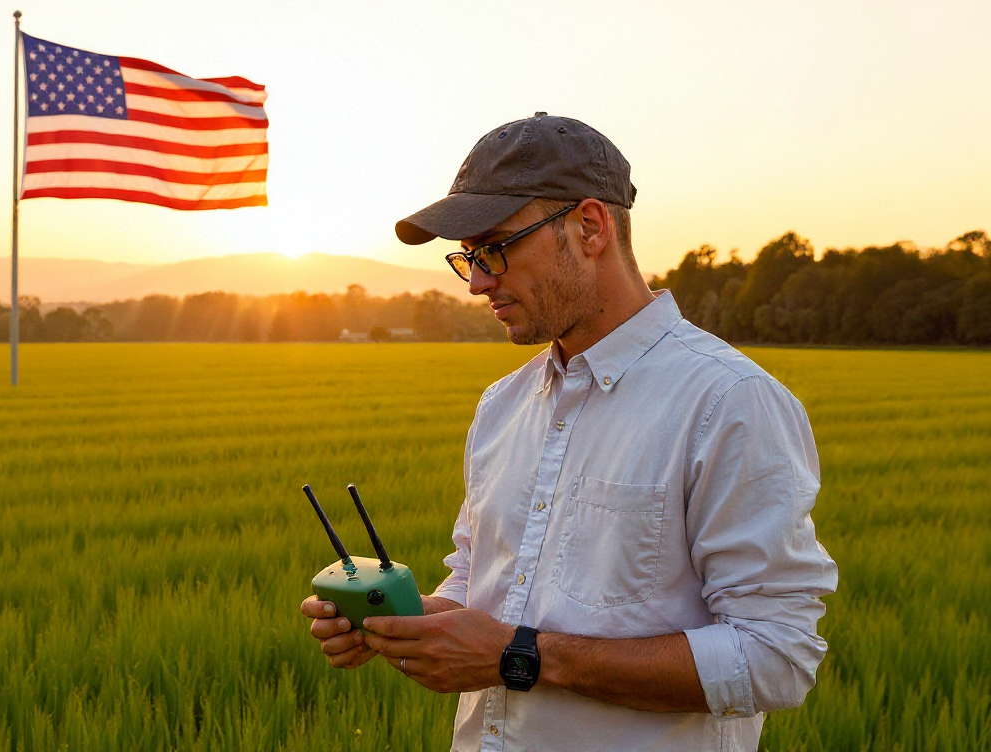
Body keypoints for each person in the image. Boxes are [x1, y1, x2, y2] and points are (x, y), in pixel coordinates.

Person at [300, 114, 838, 751]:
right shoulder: (503, 405)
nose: (477, 282)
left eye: (496, 248)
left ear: (590, 227)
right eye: (468, 257)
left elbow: (776, 657)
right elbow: (482, 580)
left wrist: (518, 657)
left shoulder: (727, 402)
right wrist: (418, 623)